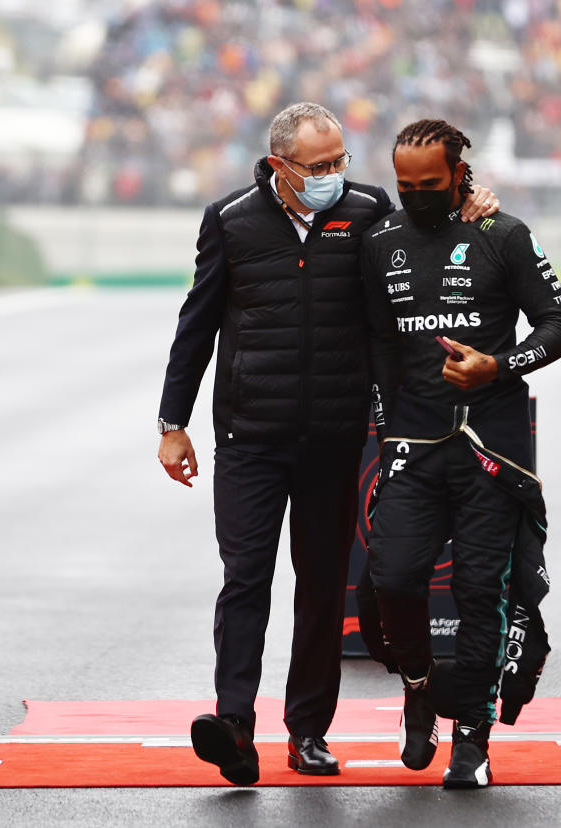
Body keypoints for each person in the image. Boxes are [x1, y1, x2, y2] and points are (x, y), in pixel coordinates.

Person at [156, 102, 499, 786]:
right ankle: (233, 726)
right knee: (246, 580)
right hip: (250, 439)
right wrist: (172, 424)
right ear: (279, 166)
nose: (335, 175)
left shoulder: (369, 211)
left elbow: (419, 265)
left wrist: (471, 209)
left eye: (341, 159)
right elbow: (196, 325)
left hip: (336, 439)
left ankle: (307, 732)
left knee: (319, 588)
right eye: (320, 166)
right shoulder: (230, 221)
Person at [361, 119, 561, 789]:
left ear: (460, 174)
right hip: (413, 447)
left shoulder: (501, 235)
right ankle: (420, 690)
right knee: (392, 576)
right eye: (405, 185)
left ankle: (473, 742)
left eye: (430, 185)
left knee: (483, 594)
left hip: (493, 450)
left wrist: (498, 367)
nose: (417, 196)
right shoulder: (380, 243)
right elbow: (375, 346)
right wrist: (385, 419)